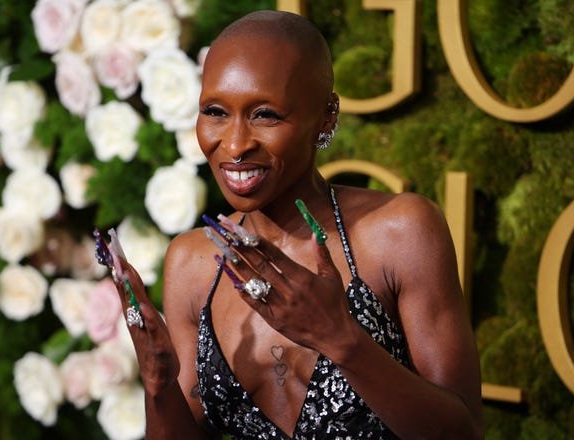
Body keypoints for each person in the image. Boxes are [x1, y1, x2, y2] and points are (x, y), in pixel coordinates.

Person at [114, 10, 483, 439]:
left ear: (326, 116)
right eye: (215, 112)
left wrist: (342, 340)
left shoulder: (398, 233)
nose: (234, 145)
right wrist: (158, 383)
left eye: (265, 115)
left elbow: (464, 433)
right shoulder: (193, 263)